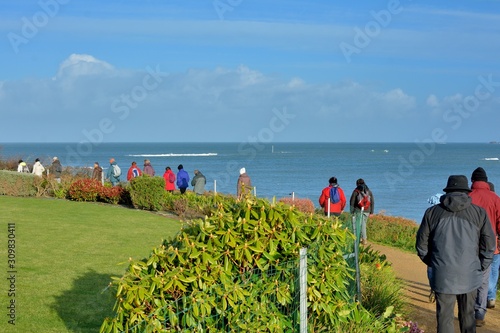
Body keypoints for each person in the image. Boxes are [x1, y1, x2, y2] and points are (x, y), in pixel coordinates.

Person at [416, 175, 495, 333]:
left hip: (443, 274)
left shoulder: (432, 213)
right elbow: (489, 245)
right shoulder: (479, 213)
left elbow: (421, 246)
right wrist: (480, 266)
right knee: (468, 318)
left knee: (444, 319)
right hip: (470, 274)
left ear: (447, 191)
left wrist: (434, 263)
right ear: (466, 191)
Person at [469, 167, 500, 326]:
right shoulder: (495, 198)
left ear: (473, 180)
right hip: (491, 246)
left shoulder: (468, 197)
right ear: (486, 181)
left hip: (469, 246)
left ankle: (467, 308)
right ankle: (480, 312)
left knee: (469, 277)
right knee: (486, 278)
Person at [349, 178, 374, 245]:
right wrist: (371, 212)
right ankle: (361, 238)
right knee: (363, 224)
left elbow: (352, 201)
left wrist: (352, 211)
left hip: (358, 210)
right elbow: (372, 202)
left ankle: (363, 239)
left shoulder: (356, 191)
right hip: (367, 210)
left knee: (360, 225)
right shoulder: (369, 191)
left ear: (357, 184)